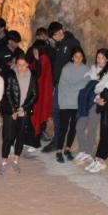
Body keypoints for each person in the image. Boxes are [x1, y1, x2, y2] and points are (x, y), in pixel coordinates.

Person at [0, 54, 37, 174]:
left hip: (23, 111)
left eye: (23, 65)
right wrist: (13, 110)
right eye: (18, 65)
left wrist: (24, 108)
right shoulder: (10, 74)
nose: (20, 67)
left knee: (20, 136)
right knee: (8, 137)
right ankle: (4, 162)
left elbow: (34, 95)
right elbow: (7, 93)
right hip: (10, 110)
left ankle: (15, 161)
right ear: (15, 64)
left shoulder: (32, 76)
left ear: (27, 65)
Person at [74, 48, 108, 165]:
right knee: (79, 126)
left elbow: (99, 88)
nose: (99, 60)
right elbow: (86, 78)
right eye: (98, 57)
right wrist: (91, 82)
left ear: (107, 59)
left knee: (92, 128)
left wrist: (92, 83)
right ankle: (83, 150)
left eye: (102, 58)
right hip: (86, 102)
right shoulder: (94, 67)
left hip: (96, 104)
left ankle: (88, 153)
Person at [41, 22, 72, 153]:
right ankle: (57, 140)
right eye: (52, 36)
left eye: (54, 35)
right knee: (56, 112)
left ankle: (58, 142)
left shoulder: (71, 43)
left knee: (59, 112)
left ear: (61, 31)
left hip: (65, 85)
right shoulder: (60, 44)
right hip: (59, 84)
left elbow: (78, 62)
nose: (54, 38)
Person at [55, 48, 89, 163]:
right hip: (66, 102)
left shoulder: (86, 69)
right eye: (76, 56)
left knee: (73, 127)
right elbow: (64, 87)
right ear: (72, 57)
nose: (78, 59)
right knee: (63, 127)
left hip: (78, 103)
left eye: (80, 57)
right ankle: (59, 150)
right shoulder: (66, 69)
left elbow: (87, 82)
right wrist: (79, 85)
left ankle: (67, 149)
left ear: (83, 57)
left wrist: (74, 86)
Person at [27, 34, 54, 149]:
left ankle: (35, 141)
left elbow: (38, 75)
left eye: (36, 48)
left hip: (40, 92)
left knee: (36, 116)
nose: (34, 50)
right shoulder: (43, 58)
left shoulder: (43, 59)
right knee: (36, 116)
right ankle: (33, 139)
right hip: (41, 92)